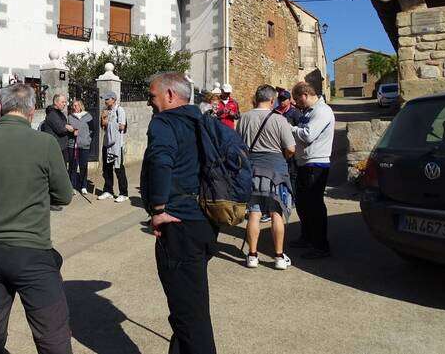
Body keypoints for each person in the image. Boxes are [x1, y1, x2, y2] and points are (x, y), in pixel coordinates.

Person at [0, 84, 73, 354]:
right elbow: (64, 195)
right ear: (32, 111)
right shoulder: (45, 143)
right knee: (52, 336)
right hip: (32, 253)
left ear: (0, 108)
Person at [140, 72, 219, 354]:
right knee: (192, 303)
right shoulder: (201, 120)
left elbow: (161, 160)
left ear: (170, 94)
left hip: (178, 223)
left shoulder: (164, 122)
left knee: (188, 315)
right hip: (204, 221)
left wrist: (159, 209)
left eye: (152, 96)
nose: (150, 102)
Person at [237, 85, 296, 270]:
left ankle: (252, 255)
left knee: (254, 213)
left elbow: (239, 147)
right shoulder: (279, 119)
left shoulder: (244, 118)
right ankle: (279, 257)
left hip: (252, 169)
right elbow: (291, 148)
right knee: (276, 212)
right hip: (276, 171)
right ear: (272, 100)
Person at [290, 81, 336, 259]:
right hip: (304, 163)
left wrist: (289, 129)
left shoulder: (322, 111)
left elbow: (308, 135)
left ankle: (321, 246)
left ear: (305, 95)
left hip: (316, 164)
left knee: (314, 206)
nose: (296, 103)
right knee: (303, 204)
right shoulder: (308, 112)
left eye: (297, 99)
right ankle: (307, 237)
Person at [98, 91, 129, 203]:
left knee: (119, 169)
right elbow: (104, 128)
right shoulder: (107, 111)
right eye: (105, 99)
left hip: (116, 146)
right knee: (106, 169)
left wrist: (109, 123)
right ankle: (108, 190)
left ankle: (123, 193)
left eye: (107, 99)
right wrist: (103, 121)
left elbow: (122, 126)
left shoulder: (119, 110)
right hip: (107, 144)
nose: (105, 101)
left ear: (113, 99)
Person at [66, 99, 92, 194]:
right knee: (73, 165)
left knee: (83, 166)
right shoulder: (70, 117)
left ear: (81, 106)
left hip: (84, 145)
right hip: (73, 145)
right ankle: (72, 185)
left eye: (76, 105)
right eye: (73, 105)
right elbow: (67, 130)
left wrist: (88, 139)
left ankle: (83, 185)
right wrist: (73, 132)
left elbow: (92, 130)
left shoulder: (88, 116)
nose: (74, 107)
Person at [42, 94, 74, 162]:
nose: (65, 104)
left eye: (65, 102)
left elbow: (64, 125)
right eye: (62, 102)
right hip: (56, 148)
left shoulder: (59, 113)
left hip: (61, 147)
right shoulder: (52, 114)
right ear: (56, 102)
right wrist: (67, 127)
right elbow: (61, 130)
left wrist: (66, 126)